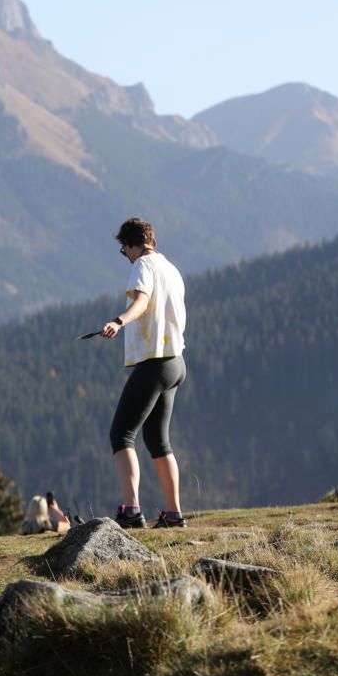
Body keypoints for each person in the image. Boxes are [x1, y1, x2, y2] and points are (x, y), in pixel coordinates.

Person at [99, 218, 187, 529]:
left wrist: (119, 321)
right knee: (157, 439)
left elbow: (141, 301)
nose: (126, 255)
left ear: (132, 244)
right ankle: (174, 513)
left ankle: (131, 510)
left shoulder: (143, 267)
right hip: (176, 362)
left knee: (121, 434)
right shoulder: (171, 269)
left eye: (124, 250)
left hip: (153, 362)